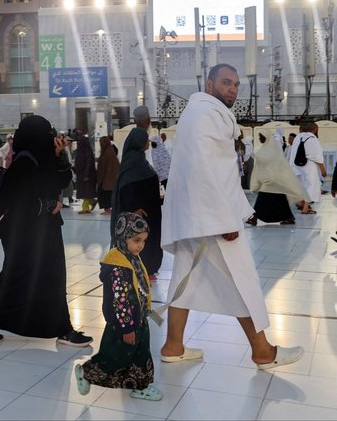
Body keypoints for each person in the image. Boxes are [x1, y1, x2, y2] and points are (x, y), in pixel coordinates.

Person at [160, 63, 304, 369]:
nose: (232, 89)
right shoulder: (205, 114)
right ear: (209, 84)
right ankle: (263, 351)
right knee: (242, 280)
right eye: (226, 82)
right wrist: (223, 219)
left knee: (185, 278)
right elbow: (203, 169)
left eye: (236, 85)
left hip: (195, 216)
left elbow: (210, 168)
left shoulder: (198, 113)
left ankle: (173, 346)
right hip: (212, 216)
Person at [0, 115, 92, 347]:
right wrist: (47, 204)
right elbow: (15, 200)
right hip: (22, 233)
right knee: (15, 276)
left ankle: (63, 328)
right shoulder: (24, 162)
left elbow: (62, 181)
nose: (51, 139)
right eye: (47, 135)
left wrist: (60, 156)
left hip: (45, 230)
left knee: (53, 276)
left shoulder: (44, 159)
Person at [75, 212, 162, 401]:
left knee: (141, 353)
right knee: (115, 357)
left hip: (137, 319)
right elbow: (120, 300)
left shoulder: (130, 257)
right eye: (136, 240)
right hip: (124, 323)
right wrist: (127, 327)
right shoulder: (117, 267)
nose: (141, 245)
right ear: (123, 238)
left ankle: (140, 386)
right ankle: (87, 373)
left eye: (144, 241)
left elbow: (138, 287)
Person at [111, 116, 162, 281]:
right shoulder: (134, 160)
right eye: (145, 139)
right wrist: (134, 209)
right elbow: (126, 188)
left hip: (149, 209)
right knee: (140, 240)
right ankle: (144, 267)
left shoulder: (139, 159)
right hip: (141, 213)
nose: (148, 142)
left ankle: (149, 267)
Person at [248, 133, 310, 226]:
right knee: (279, 199)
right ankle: (288, 217)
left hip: (272, 180)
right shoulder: (266, 149)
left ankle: (255, 218)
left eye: (261, 137)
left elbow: (276, 164)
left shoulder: (272, 149)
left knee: (262, 199)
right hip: (271, 180)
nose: (259, 138)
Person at [289, 122, 326, 213]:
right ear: (315, 129)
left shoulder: (298, 137)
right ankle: (305, 208)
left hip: (296, 165)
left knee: (302, 186)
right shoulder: (312, 138)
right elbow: (316, 156)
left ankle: (301, 203)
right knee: (311, 186)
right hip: (308, 166)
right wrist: (322, 169)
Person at [74, 133, 97, 214]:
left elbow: (89, 162)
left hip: (86, 175)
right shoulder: (81, 150)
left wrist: (86, 174)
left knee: (85, 191)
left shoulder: (86, 150)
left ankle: (85, 208)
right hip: (81, 174)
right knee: (85, 191)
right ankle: (92, 202)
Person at [96, 136, 119, 215]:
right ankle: (108, 209)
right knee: (107, 194)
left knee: (106, 194)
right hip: (108, 179)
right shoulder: (108, 152)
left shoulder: (108, 153)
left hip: (107, 179)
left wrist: (101, 178)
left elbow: (107, 167)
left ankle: (108, 209)